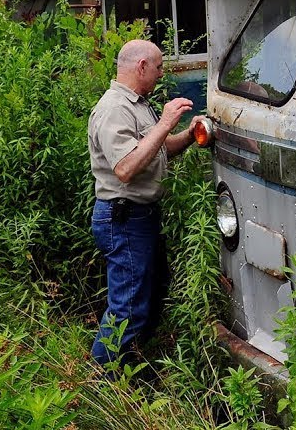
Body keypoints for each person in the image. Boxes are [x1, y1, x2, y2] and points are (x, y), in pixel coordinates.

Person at [87, 39, 202, 370]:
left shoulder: (137, 104)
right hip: (123, 220)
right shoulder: (114, 109)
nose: (161, 73)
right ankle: (101, 384)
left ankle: (129, 366)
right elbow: (125, 168)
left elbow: (154, 152)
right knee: (128, 307)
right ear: (141, 67)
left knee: (149, 297)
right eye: (159, 67)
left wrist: (189, 134)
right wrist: (166, 123)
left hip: (141, 218)